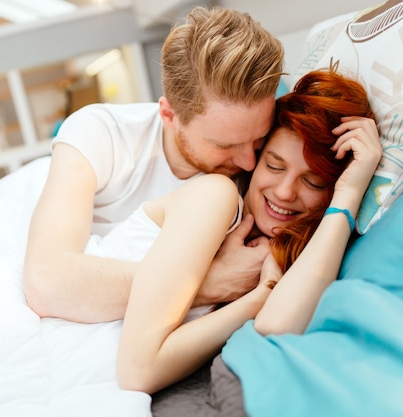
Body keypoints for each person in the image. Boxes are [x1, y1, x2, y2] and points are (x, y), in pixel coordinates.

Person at [113, 67, 382, 394]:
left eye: (312, 181)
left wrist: (349, 196)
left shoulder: (287, 251)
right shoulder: (215, 197)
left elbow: (277, 323)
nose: (284, 192)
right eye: (273, 165)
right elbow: (138, 371)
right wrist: (254, 293)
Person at [23, 6, 285, 323]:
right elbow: (49, 284)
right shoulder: (103, 134)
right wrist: (211, 283)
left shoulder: (271, 161)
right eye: (224, 145)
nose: (249, 162)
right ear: (168, 115)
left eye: (259, 139)